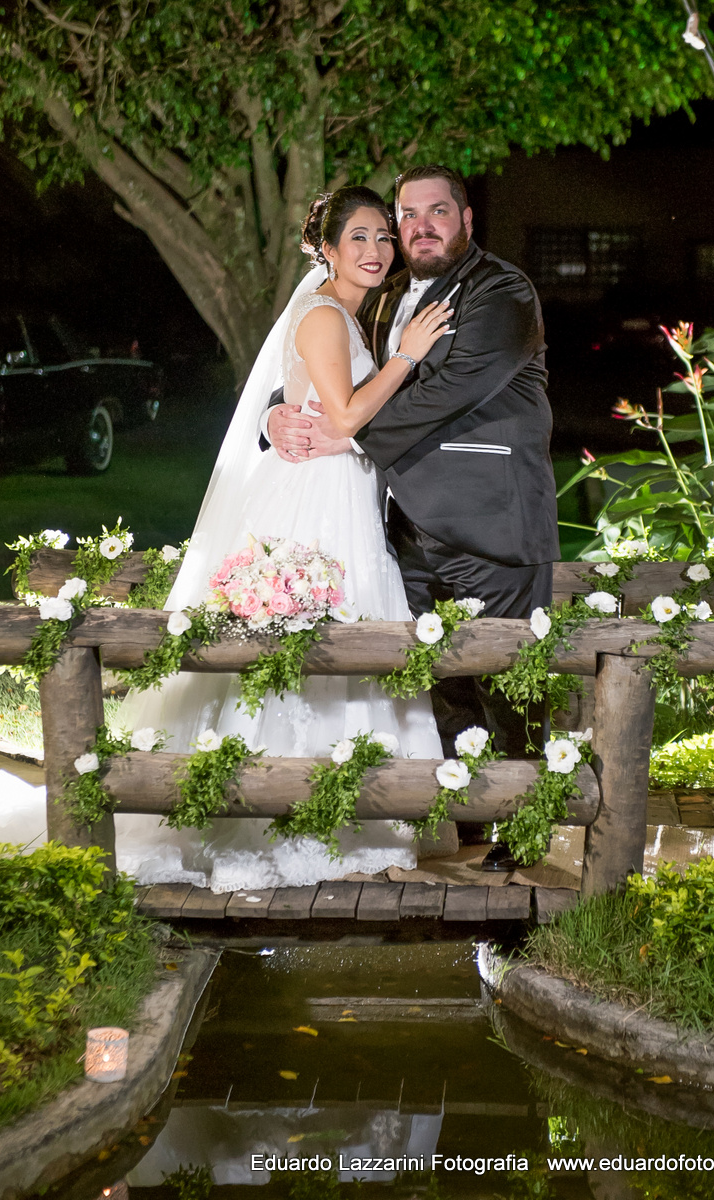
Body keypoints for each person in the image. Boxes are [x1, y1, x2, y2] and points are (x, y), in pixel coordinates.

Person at [106, 185, 457, 892]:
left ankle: (345, 810)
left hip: (346, 497)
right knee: (303, 644)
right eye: (358, 237)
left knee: (342, 644)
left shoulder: (352, 315)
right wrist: (409, 356)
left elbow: (320, 407)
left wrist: (287, 415)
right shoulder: (327, 315)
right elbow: (351, 412)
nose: (376, 250)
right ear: (325, 250)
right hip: (314, 505)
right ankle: (272, 814)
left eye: (383, 237)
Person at [267, 165, 559, 870]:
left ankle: (523, 833)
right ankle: (466, 817)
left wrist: (345, 434)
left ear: (465, 219)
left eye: (438, 212)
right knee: (436, 683)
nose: (420, 226)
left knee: (508, 679)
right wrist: (281, 413)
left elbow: (450, 389)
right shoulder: (386, 293)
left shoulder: (502, 293)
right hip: (401, 524)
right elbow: (343, 371)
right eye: (408, 215)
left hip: (491, 520)